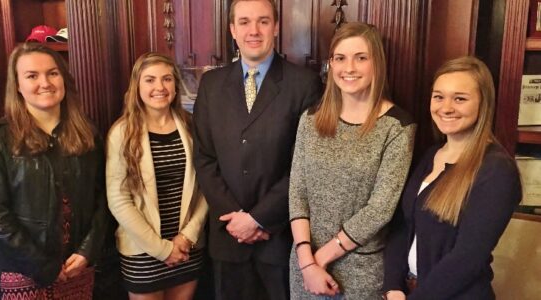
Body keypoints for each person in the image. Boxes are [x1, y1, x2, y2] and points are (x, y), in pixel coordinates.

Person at [192, 0, 323, 299]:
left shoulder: (304, 83)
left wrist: (258, 219)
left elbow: (303, 165)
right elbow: (205, 157)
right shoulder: (211, 85)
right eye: (244, 22)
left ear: (276, 27)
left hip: (277, 238)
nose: (254, 30)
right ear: (232, 30)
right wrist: (236, 220)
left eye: (263, 21)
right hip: (228, 238)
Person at [288, 22, 416, 299]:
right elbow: (297, 191)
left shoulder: (396, 127)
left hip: (359, 271)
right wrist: (305, 258)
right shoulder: (310, 120)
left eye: (361, 58)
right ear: (330, 65)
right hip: (304, 264)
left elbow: (380, 210)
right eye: (340, 58)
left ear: (377, 63)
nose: (349, 68)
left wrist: (321, 258)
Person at [0, 43, 108, 299]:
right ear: (17, 86)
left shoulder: (87, 132)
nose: (45, 82)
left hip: (77, 267)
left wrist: (87, 251)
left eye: (52, 73)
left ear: (64, 78)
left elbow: (103, 197)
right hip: (22, 272)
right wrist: (43, 267)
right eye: (32, 76)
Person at [383, 56, 522, 300]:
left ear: (483, 104)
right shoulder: (431, 154)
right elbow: (404, 225)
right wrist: (393, 286)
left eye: (460, 98)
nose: (446, 107)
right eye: (439, 96)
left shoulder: (496, 170)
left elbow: (467, 258)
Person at [106, 52, 208, 300]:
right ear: (137, 86)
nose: (159, 87)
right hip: (142, 250)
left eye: (167, 79)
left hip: (187, 246)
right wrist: (161, 249)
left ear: (176, 85)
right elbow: (118, 199)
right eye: (150, 80)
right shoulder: (122, 132)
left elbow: (206, 186)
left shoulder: (192, 126)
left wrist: (187, 236)